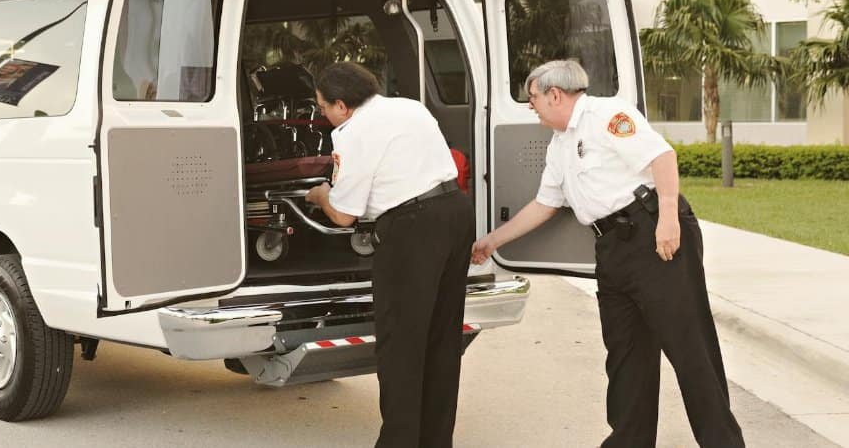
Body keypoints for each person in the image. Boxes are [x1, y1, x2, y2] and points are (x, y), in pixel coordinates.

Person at [471, 60, 744, 448]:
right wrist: (493, 241)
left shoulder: (608, 115)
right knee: (625, 353)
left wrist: (668, 219)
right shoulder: (560, 143)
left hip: (652, 234)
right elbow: (545, 204)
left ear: (555, 94)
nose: (529, 105)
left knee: (689, 348)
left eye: (531, 97)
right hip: (612, 247)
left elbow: (662, 158)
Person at [304, 62, 472, 448]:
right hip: (454, 213)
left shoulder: (351, 133)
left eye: (324, 107)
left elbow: (344, 215)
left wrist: (319, 195)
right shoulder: (409, 107)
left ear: (342, 106)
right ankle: (434, 441)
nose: (324, 116)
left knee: (401, 343)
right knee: (441, 338)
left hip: (410, 228)